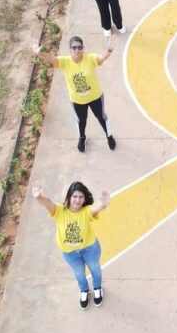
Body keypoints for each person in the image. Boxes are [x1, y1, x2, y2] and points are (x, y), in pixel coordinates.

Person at [31, 180, 110, 309]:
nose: (77, 200)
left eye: (81, 197)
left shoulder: (86, 211)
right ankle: (84, 290)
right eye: (74, 196)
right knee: (79, 274)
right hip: (70, 253)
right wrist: (39, 197)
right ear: (69, 197)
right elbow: (49, 203)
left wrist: (102, 204)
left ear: (84, 199)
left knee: (95, 269)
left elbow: (93, 209)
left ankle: (97, 288)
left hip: (89, 249)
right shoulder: (60, 211)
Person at [32, 35, 117, 152]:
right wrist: (39, 54)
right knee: (81, 121)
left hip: (95, 97)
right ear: (70, 49)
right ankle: (82, 137)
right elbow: (52, 59)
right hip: (77, 100)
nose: (77, 50)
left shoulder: (90, 58)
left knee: (102, 118)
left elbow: (101, 58)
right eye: (74, 47)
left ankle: (109, 136)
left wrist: (109, 50)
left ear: (83, 48)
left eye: (80, 47)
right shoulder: (65, 62)